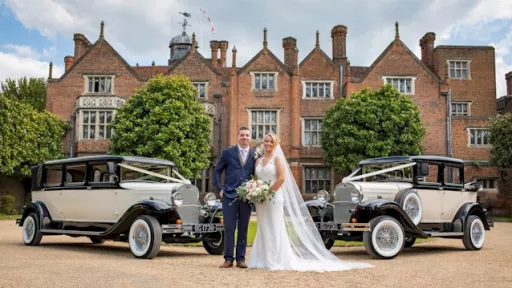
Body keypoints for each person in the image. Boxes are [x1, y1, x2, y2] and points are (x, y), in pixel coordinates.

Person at [247, 133, 374, 271]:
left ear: (275, 144)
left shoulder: (277, 159)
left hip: (273, 197)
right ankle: (261, 259)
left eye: (271, 141)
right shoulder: (258, 161)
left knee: (274, 226)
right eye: (266, 141)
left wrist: (268, 192)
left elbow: (281, 178)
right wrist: (255, 191)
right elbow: (255, 179)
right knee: (263, 226)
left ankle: (275, 259)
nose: (268, 144)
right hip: (260, 199)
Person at [213, 126, 258, 269]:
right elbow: (217, 171)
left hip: (247, 197)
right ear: (237, 137)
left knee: (243, 228)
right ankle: (228, 258)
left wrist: (256, 190)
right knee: (229, 227)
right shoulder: (227, 152)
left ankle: (240, 259)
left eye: (247, 135)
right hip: (229, 195)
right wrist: (220, 189)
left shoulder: (255, 154)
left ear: (250, 138)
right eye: (242, 135)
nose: (244, 137)